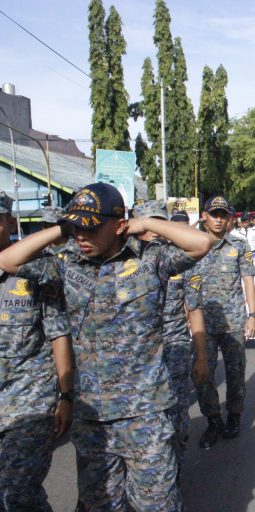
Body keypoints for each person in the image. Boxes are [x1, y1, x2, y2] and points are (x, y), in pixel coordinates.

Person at [0, 183, 213, 510]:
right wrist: (61, 228)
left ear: (118, 225)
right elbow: (9, 260)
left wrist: (147, 224)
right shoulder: (65, 264)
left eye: (91, 227)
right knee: (101, 505)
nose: (81, 236)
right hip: (94, 420)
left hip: (145, 415)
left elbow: (201, 243)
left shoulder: (151, 259)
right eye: (77, 227)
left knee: (156, 505)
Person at [0, 192, 74, 511]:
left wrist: (66, 396)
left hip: (28, 397)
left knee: (16, 492)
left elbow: (58, 332)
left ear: (9, 222)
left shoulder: (38, 268)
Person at [132, 200, 209, 473]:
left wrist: (201, 356)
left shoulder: (177, 260)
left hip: (174, 350)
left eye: (157, 223)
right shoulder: (120, 262)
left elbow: (194, 310)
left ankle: (171, 478)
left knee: (176, 422)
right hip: (136, 357)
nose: (151, 231)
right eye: (145, 223)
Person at [195, 196, 255, 450]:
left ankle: (234, 416)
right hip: (202, 324)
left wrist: (252, 315)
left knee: (235, 373)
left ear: (230, 218)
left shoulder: (239, 245)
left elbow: (248, 280)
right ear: (204, 216)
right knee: (202, 375)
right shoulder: (191, 245)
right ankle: (213, 420)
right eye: (214, 214)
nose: (219, 219)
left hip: (233, 321)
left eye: (223, 215)